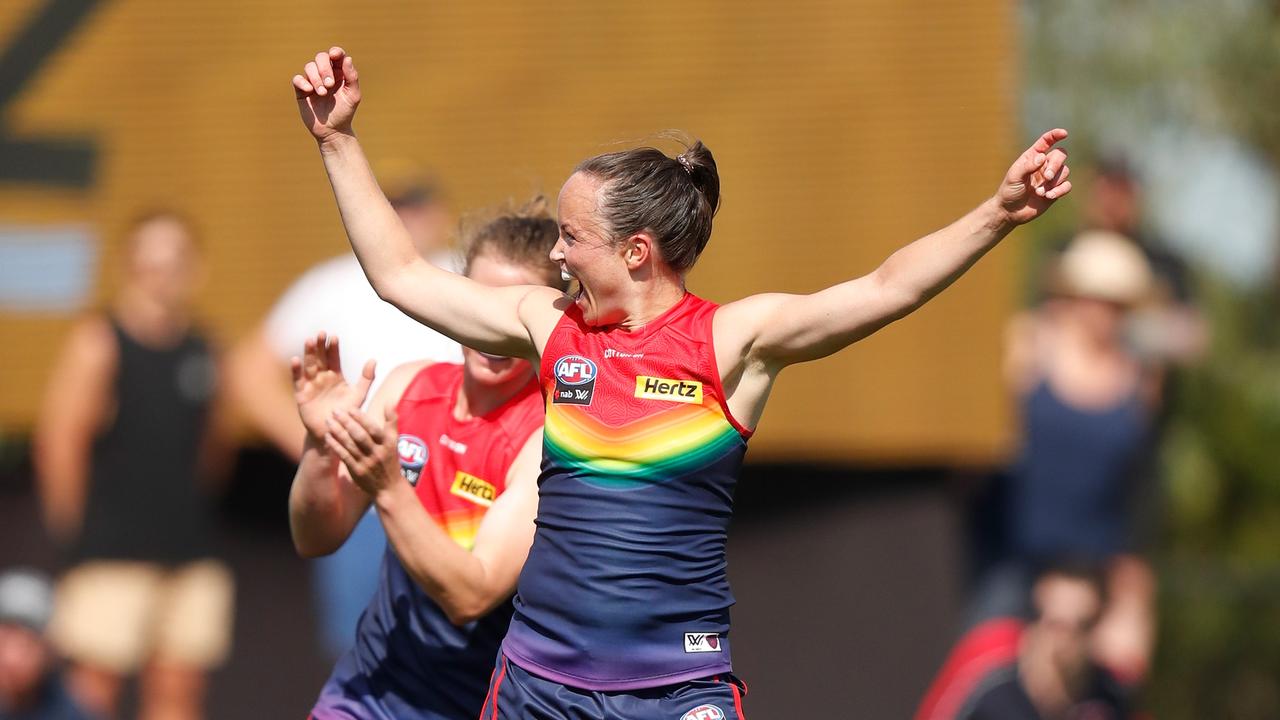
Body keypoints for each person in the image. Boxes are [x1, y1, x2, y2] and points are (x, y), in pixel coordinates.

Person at [291, 45, 1073, 719]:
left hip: (674, 689)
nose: (557, 257)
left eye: (571, 237)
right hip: (535, 686)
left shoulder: (731, 342)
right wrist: (337, 139)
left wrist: (997, 215)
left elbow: (885, 287)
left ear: (635, 253)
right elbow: (399, 274)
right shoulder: (548, 326)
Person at [290, 200, 564, 720]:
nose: (494, 327)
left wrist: (390, 489)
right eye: (482, 302)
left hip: (480, 705)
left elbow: (471, 595)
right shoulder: (408, 387)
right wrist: (320, 444)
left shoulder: (548, 432)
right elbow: (315, 536)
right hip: (367, 691)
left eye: (516, 308)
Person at [226, 167, 462, 659]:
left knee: (460, 643)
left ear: (440, 216)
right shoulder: (333, 282)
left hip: (458, 484)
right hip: (366, 489)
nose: (409, 220)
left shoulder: (463, 273)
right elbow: (247, 371)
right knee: (362, 646)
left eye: (419, 208)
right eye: (398, 208)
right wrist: (321, 448)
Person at [33, 212, 234, 720]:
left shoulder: (205, 348)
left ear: (196, 267)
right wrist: (77, 536)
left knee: (178, 690)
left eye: (174, 258)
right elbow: (60, 443)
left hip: (189, 552)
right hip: (111, 551)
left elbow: (214, 448)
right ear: (129, 265)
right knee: (92, 691)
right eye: (150, 258)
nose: (162, 270)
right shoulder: (99, 341)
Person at [989, 232, 1162, 685]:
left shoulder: (1139, 379)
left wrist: (1132, 602)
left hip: (1096, 576)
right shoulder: (1027, 350)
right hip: (1013, 568)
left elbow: (1139, 494)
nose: (1106, 312)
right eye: (1097, 298)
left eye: (1118, 302)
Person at [915, 564, 1131, 720]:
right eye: (1057, 625)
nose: (1065, 640)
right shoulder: (991, 680)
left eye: (1082, 626)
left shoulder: (1112, 694)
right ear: (1035, 624)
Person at [0, 569, 93, 720]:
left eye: (27, 645)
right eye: (4, 642)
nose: (12, 658)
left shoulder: (73, 712)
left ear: (50, 651)